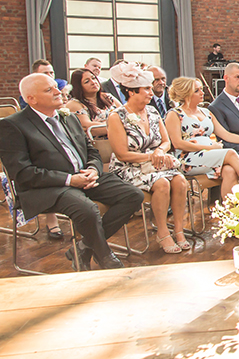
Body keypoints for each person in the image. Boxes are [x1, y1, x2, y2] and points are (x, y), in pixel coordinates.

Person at [0, 73, 143, 270]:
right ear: (31, 99)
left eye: (55, 87)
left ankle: (84, 247)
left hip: (84, 177)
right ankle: (106, 257)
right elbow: (22, 173)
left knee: (133, 195)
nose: (58, 92)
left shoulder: (68, 117)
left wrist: (93, 169)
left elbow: (91, 151)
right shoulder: (13, 125)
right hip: (48, 186)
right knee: (87, 209)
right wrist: (69, 180)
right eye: (48, 90)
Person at [106, 62, 189, 255]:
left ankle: (178, 229)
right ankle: (162, 232)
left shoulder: (152, 112)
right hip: (129, 167)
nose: (151, 92)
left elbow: (166, 141)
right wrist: (151, 156)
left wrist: (160, 152)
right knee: (162, 184)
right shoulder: (116, 116)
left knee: (180, 181)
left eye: (151, 88)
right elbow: (122, 154)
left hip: (156, 163)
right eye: (146, 89)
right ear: (131, 92)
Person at [165, 76, 239, 198]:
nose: (202, 93)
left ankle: (229, 213)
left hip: (210, 155)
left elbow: (226, 135)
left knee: (230, 171)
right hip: (188, 158)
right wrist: (210, 148)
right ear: (186, 94)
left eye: (201, 89)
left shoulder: (206, 112)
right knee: (230, 153)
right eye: (197, 90)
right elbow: (178, 144)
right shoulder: (174, 114)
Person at [18, 59, 69, 239]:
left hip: (59, 132)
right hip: (39, 143)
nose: (50, 76)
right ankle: (52, 220)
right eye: (45, 73)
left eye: (51, 73)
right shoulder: (29, 96)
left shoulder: (59, 92)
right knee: (48, 158)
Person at [66, 68, 121, 137]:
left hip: (119, 137)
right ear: (79, 87)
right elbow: (89, 128)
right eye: (87, 82)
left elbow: (126, 115)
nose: (93, 82)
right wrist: (119, 126)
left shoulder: (108, 97)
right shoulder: (74, 104)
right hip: (98, 143)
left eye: (94, 78)